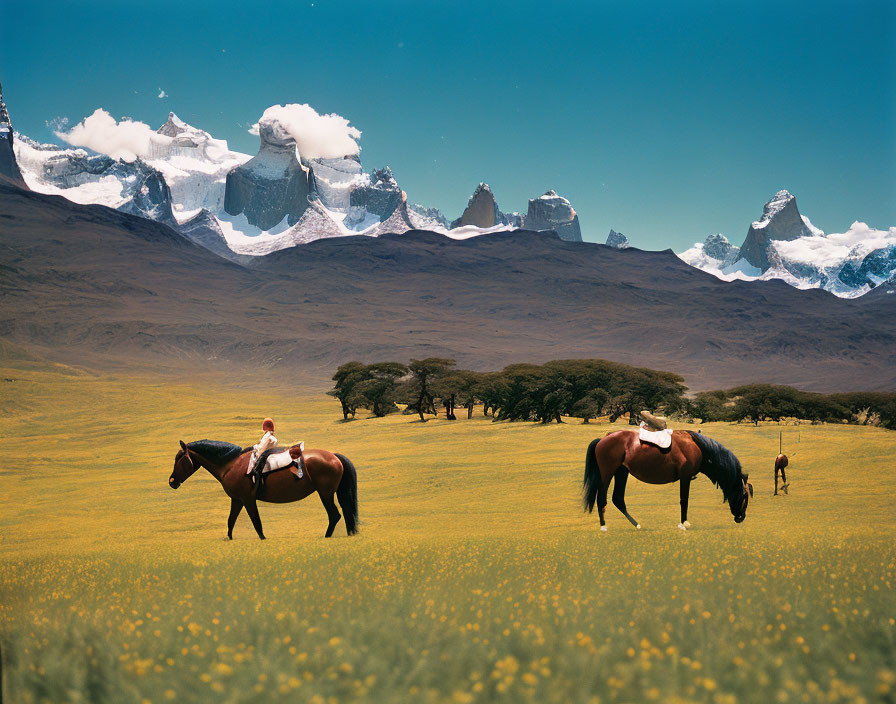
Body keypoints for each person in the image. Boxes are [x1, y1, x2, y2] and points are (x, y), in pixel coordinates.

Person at [248, 418, 304, 486]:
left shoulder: (268, 437)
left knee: (256, 467)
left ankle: (256, 478)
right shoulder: (272, 437)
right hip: (270, 454)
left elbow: (262, 450)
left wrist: (256, 452)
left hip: (265, 456)